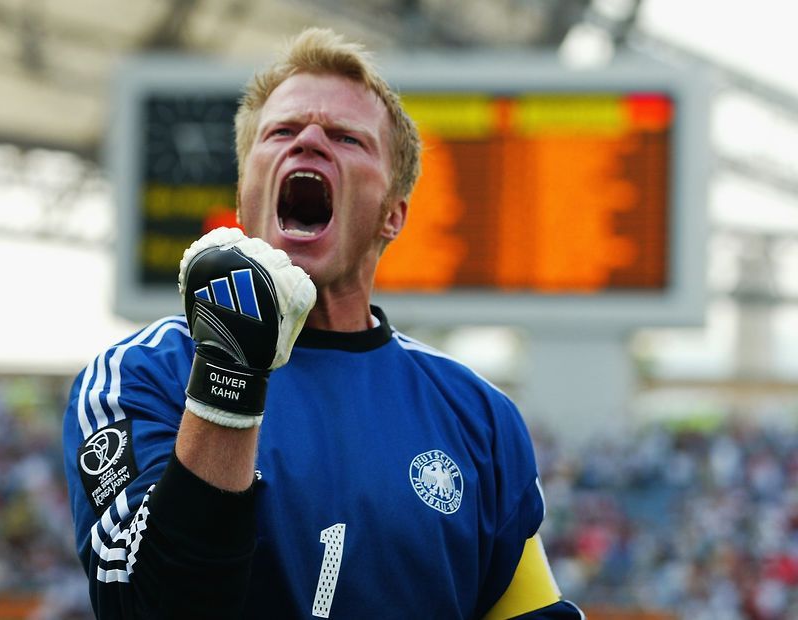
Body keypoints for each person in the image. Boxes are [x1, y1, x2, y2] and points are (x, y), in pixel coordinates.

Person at [63, 27, 584, 619]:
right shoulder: (140, 375)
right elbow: (147, 608)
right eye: (281, 132)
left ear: (393, 214)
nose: (309, 140)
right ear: (243, 193)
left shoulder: (478, 416)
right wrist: (229, 370)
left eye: (346, 138)